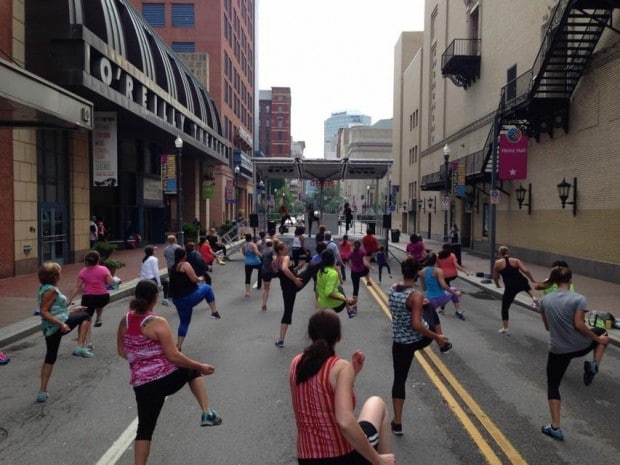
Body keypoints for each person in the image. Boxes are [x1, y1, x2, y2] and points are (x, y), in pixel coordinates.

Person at [117, 280, 221, 465]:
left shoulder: (125, 320)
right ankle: (207, 412)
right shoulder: (157, 322)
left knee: (145, 430)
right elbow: (174, 356)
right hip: (163, 380)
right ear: (155, 298)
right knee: (191, 369)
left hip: (141, 385)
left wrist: (142, 361)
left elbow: (122, 351)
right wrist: (201, 366)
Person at [289, 310, 395, 465]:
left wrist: (353, 373)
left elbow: (320, 393)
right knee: (377, 403)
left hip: (306, 457)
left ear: (310, 335)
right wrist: (377, 459)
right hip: (342, 456)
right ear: (338, 337)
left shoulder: (296, 363)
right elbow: (345, 422)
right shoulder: (340, 367)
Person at [539, 266, 609, 441]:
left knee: (553, 385)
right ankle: (594, 365)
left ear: (554, 281)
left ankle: (555, 427)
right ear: (570, 280)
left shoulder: (545, 300)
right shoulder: (579, 299)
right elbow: (579, 324)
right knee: (602, 332)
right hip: (580, 345)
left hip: (558, 350)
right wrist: (598, 340)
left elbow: (547, 327)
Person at [388, 258, 450, 435]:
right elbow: (416, 325)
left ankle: (397, 422)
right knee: (429, 305)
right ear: (416, 274)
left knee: (399, 379)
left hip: (400, 342)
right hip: (419, 339)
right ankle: (441, 342)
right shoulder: (416, 296)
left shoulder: (392, 289)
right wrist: (435, 335)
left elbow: (396, 310)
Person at [37, 262, 92, 402]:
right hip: (56, 326)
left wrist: (73, 309)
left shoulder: (45, 288)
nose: (61, 274)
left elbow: (55, 309)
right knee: (86, 316)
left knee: (50, 357)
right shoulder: (51, 290)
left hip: (52, 326)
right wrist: (61, 323)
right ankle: (80, 347)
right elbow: (44, 312)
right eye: (59, 272)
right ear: (54, 276)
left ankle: (42, 392)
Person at [168, 247, 220, 351]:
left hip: (178, 300)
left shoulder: (172, 268)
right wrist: (202, 278)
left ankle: (178, 346)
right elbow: (194, 279)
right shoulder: (185, 265)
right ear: (184, 256)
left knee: (184, 322)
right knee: (207, 288)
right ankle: (214, 312)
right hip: (189, 297)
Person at [69, 251, 114, 350]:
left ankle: (88, 343)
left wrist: (70, 299)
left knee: (86, 319)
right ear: (98, 260)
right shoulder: (104, 269)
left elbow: (77, 287)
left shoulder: (83, 272)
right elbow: (111, 282)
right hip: (103, 297)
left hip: (88, 298)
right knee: (99, 304)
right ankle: (99, 317)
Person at [493, 245, 538, 334]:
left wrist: (497, 285)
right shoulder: (515, 260)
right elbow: (526, 270)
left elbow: (495, 277)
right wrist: (532, 279)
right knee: (526, 285)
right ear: (508, 252)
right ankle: (534, 298)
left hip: (510, 286)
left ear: (500, 253)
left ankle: (505, 329)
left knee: (505, 308)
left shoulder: (498, 263)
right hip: (521, 281)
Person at [273, 241, 304, 347]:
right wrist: (295, 280)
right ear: (280, 251)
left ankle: (281, 339)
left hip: (286, 288)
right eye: (285, 249)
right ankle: (281, 339)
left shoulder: (274, 261)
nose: (287, 250)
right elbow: (285, 269)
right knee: (311, 270)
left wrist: (295, 269)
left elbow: (282, 273)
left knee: (287, 311)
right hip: (292, 286)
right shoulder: (285, 258)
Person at [419, 253, 464, 320]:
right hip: (441, 298)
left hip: (430, 300)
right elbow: (444, 285)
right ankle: (458, 311)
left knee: (429, 320)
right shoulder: (438, 271)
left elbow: (424, 288)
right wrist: (455, 293)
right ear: (436, 260)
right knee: (454, 289)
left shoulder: (422, 272)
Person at [316, 249, 356, 314]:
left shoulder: (320, 271)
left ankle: (349, 308)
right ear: (333, 260)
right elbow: (329, 293)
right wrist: (346, 299)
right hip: (335, 304)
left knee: (339, 288)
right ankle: (349, 308)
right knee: (340, 288)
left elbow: (318, 288)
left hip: (322, 302)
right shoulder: (333, 273)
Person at [349, 240, 374, 317]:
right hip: (361, 271)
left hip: (354, 273)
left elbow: (349, 263)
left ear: (354, 246)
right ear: (360, 246)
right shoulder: (362, 252)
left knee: (355, 289)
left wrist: (352, 268)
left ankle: (354, 306)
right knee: (367, 270)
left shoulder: (351, 253)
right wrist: (371, 267)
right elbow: (365, 263)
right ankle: (368, 280)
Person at [259, 239, 277, 311]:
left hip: (263, 270)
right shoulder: (272, 251)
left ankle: (263, 303)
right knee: (267, 288)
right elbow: (274, 260)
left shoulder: (263, 251)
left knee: (265, 288)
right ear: (272, 244)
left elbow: (262, 258)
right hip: (270, 270)